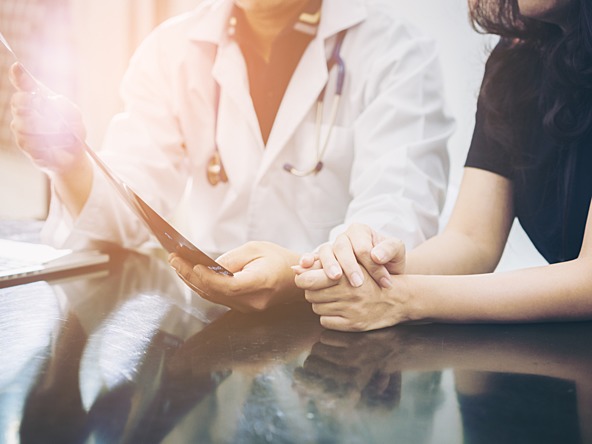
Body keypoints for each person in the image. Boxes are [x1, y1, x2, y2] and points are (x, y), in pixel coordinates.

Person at [9, 0, 453, 312]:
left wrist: (300, 277)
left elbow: (396, 220)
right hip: (210, 327)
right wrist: (70, 164)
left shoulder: (398, 53)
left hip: (346, 332)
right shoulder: (171, 49)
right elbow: (128, 210)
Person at [294, 0, 592, 331]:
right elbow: (471, 240)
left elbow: (588, 279)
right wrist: (372, 268)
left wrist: (404, 298)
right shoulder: (517, 56)